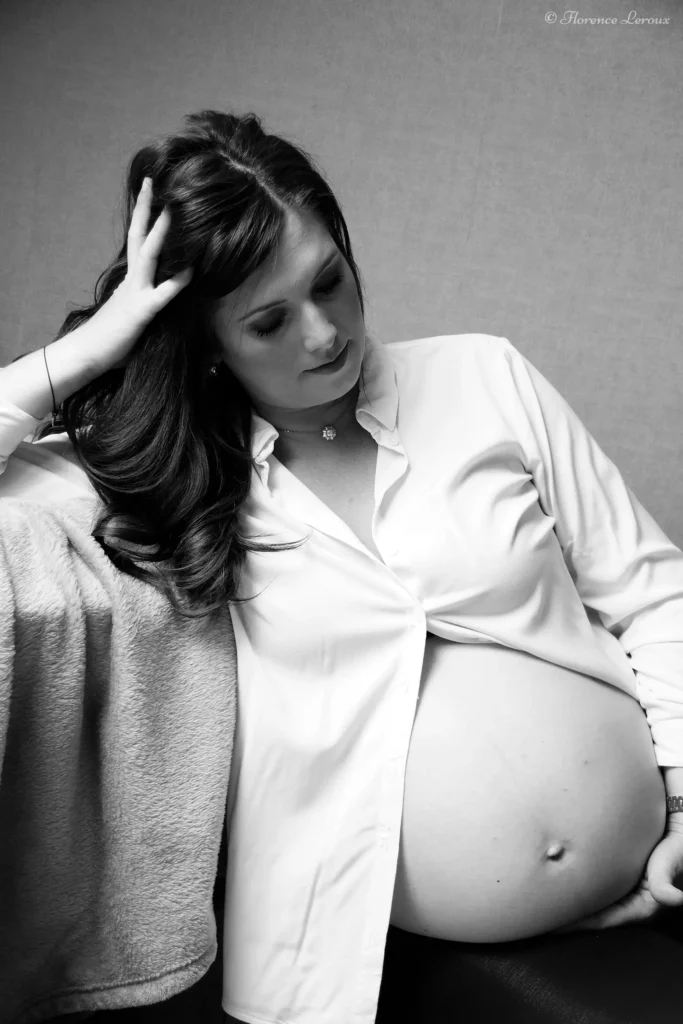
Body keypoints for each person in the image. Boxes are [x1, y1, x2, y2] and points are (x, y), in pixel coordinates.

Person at [1, 109, 683, 1024]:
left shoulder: (484, 376)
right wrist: (91, 348)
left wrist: (682, 801)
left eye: (331, 280)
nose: (323, 333)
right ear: (205, 344)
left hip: (659, 877)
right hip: (358, 960)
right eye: (270, 321)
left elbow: (653, 594)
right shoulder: (164, 480)